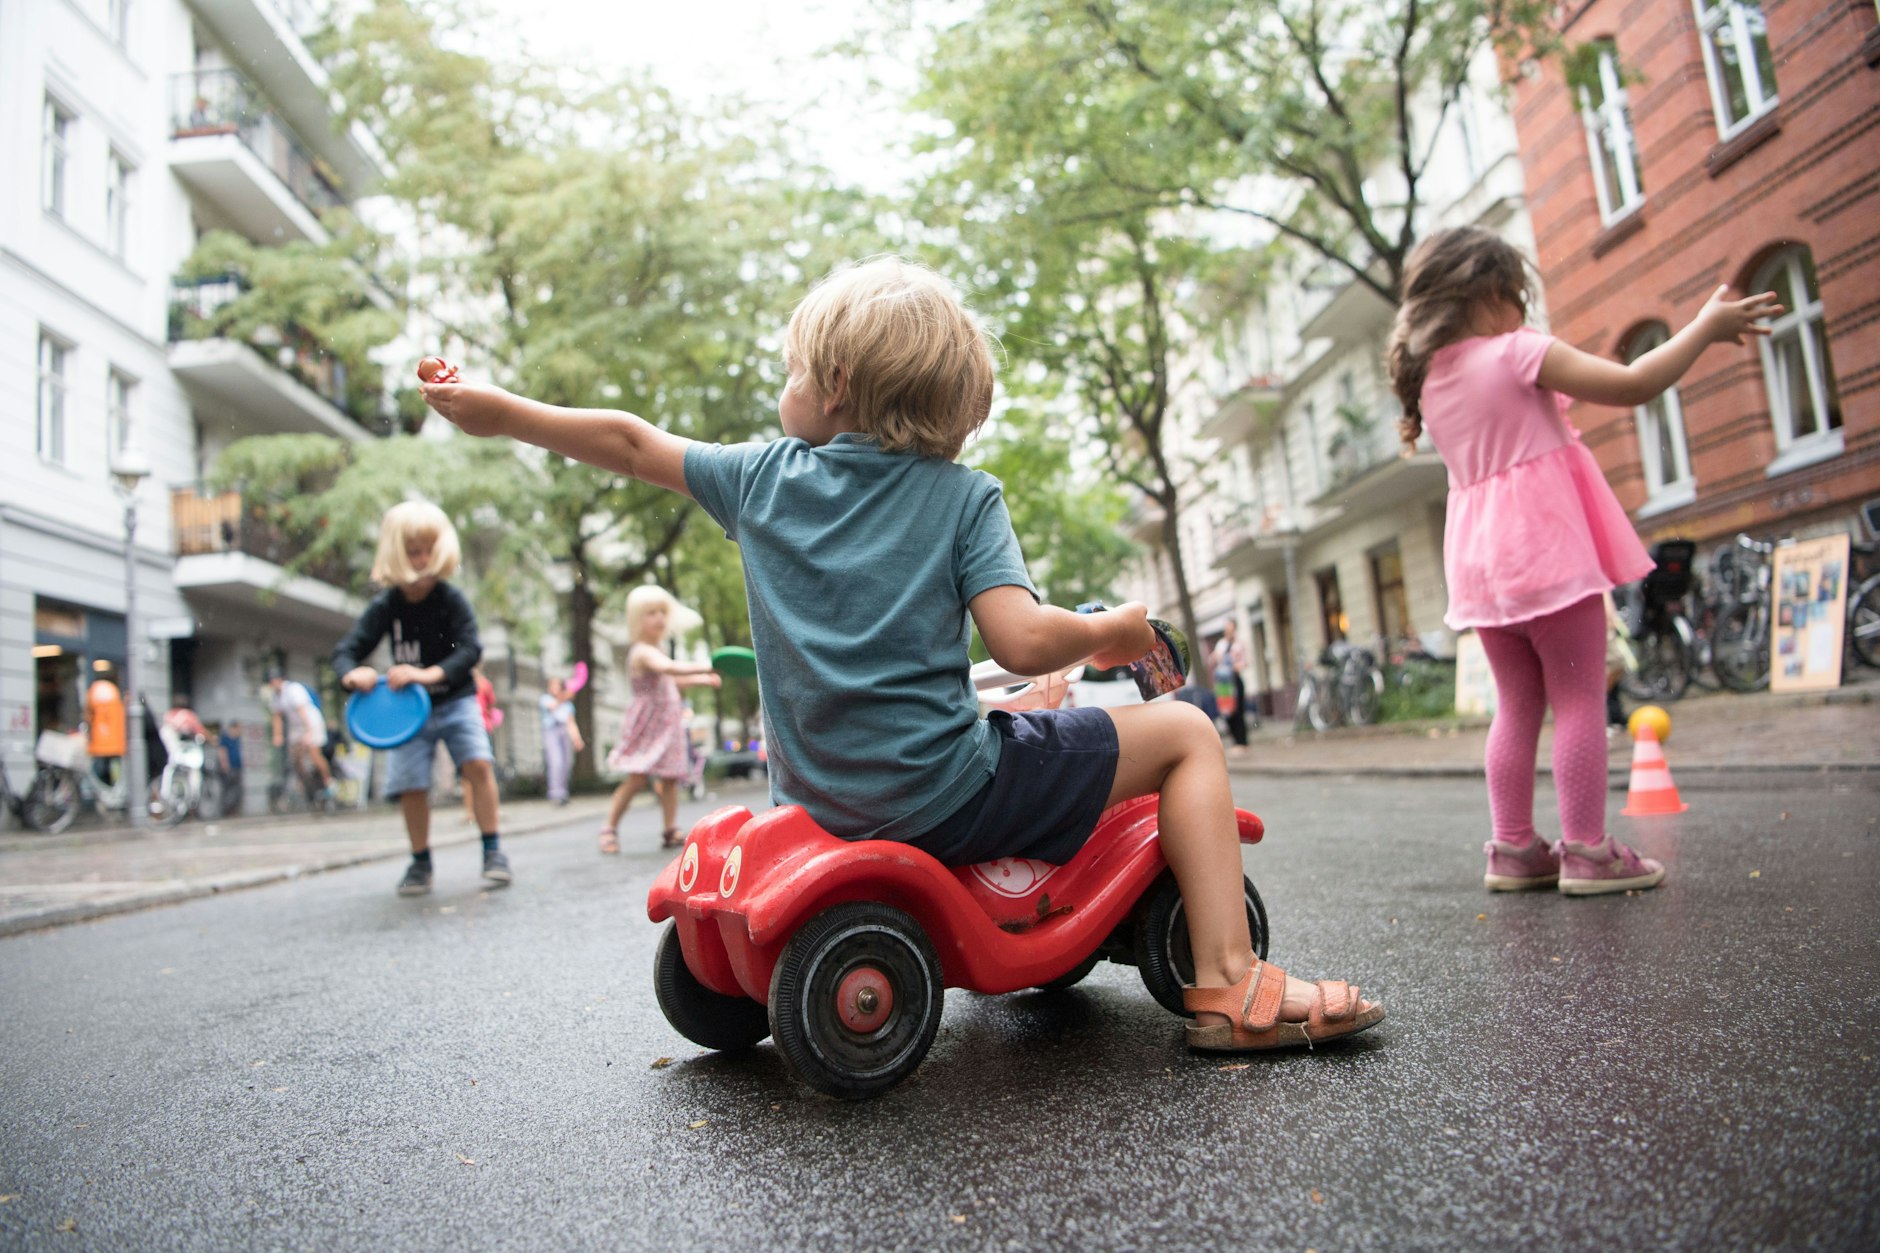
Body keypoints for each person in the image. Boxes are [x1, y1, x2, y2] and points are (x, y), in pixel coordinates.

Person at [423, 257, 1382, 1051]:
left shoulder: (759, 480)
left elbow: (630, 443)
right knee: (1182, 734)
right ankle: (1227, 977)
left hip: (816, 798)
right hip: (943, 793)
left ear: (836, 388)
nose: (783, 389)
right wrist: (1115, 629)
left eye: (794, 371)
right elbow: (1022, 639)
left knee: (1021, 723)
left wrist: (496, 409)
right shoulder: (963, 497)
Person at [1386, 225, 1780, 896]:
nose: (1522, 308)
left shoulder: (1432, 380)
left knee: (1515, 706)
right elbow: (1631, 384)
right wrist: (1705, 327)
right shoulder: (1516, 353)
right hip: (1544, 551)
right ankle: (1589, 853)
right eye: (1515, 293)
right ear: (1488, 293)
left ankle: (1512, 848)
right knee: (1577, 697)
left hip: (1481, 566)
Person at [333, 501, 508, 897]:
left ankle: (493, 851)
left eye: (429, 548)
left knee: (478, 764)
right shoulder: (387, 606)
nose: (423, 559)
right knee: (410, 784)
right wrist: (352, 673)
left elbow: (470, 649)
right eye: (413, 550)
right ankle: (420, 862)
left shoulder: (450, 599)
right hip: (408, 712)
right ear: (396, 553)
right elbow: (347, 650)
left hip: (456, 700)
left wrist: (428, 674)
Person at [596, 586, 720, 853]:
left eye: (663, 612)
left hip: (667, 723)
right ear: (637, 619)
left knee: (671, 777)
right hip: (649, 723)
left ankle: (669, 828)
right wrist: (706, 664)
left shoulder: (659, 647)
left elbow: (673, 680)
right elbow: (668, 668)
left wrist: (702, 680)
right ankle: (609, 828)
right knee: (637, 778)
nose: (659, 618)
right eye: (651, 613)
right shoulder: (642, 651)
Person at [267, 669, 333, 796]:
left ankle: (328, 781)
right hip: (296, 726)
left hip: (311, 721)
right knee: (296, 757)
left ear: (279, 679)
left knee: (314, 754)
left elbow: (303, 711)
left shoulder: (293, 690)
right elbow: (277, 717)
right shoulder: (276, 696)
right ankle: (306, 784)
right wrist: (277, 736)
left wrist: (309, 732)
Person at [462, 666, 504, 824]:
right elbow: (490, 705)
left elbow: (490, 705)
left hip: (482, 728)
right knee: (473, 773)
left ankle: (488, 810)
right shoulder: (467, 684)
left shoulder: (483, 684)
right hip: (473, 728)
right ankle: (471, 811)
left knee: (481, 771)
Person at [538, 674, 585, 807]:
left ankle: (564, 792)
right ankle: (556, 793)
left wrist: (577, 739)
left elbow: (571, 723)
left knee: (566, 763)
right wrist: (564, 696)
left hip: (564, 732)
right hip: (551, 732)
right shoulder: (545, 699)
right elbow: (552, 707)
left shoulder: (568, 705)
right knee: (556, 762)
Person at [1209, 619, 1255, 751]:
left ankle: (1242, 742)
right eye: (1226, 626)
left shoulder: (1240, 644)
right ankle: (1235, 741)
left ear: (1234, 627)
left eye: (1229, 626)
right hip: (1223, 681)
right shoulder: (1221, 644)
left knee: (1238, 710)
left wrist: (1235, 666)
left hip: (1234, 679)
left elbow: (1246, 662)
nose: (1227, 628)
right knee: (1227, 711)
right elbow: (1214, 659)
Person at [86, 672, 127, 782]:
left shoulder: (94, 691)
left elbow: (89, 715)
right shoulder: (114, 691)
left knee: (101, 771)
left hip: (99, 740)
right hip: (115, 741)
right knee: (115, 770)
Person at [217, 719, 246, 811]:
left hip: (237, 767)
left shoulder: (237, 739)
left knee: (237, 789)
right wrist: (224, 763)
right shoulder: (225, 738)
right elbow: (222, 751)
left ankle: (234, 808)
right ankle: (226, 809)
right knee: (228, 789)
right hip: (229, 767)